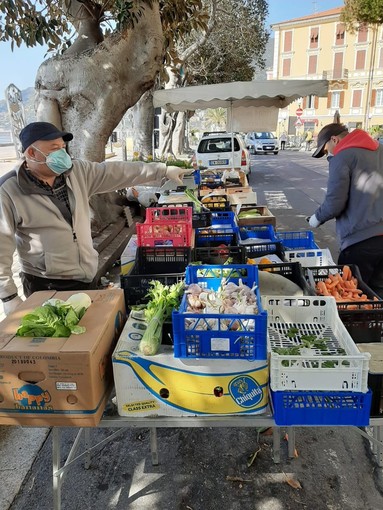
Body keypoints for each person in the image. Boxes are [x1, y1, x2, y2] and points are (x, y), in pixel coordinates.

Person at [0, 122, 191, 315]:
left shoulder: (76, 173)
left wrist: (162, 170)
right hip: (45, 282)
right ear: (31, 153)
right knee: (58, 338)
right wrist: (8, 296)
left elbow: (118, 171)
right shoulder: (9, 190)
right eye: (54, 148)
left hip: (85, 273)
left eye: (63, 148)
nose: (62, 154)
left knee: (86, 332)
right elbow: (1, 246)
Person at [308, 122, 383, 297]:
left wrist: (316, 218)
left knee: (351, 294)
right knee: (378, 294)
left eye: (326, 151)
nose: (329, 155)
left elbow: (335, 203)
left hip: (360, 240)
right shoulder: (380, 149)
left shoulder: (342, 157)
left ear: (334, 139)